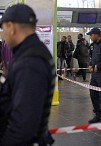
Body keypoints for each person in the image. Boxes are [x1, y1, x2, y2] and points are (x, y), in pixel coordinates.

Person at [0, 4, 55, 146]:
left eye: (3, 29)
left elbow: (24, 125)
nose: (3, 34)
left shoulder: (30, 62)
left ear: (11, 27)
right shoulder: (29, 53)